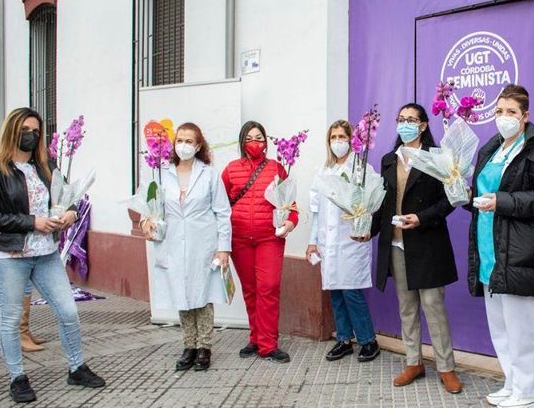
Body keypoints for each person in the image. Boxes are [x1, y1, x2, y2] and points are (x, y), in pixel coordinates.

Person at [0, 107, 105, 403]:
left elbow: (67, 199)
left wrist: (71, 214)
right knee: (10, 319)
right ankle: (17, 377)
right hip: (10, 256)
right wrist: (32, 222)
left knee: (68, 311)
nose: (31, 136)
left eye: (35, 131)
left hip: (46, 253)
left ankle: (76, 368)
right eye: (25, 130)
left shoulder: (46, 166)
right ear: (12, 131)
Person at [466, 85, 534, 408]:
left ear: (525, 116)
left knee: (523, 327)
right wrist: (462, 195)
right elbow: (480, 194)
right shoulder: (489, 150)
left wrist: (503, 202)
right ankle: (512, 382)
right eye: (499, 111)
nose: (504, 118)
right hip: (488, 249)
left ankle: (532, 390)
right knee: (500, 327)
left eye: (511, 112)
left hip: (518, 252)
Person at [359, 103, 463, 393]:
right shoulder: (388, 160)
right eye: (401, 119)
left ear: (424, 125)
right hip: (396, 244)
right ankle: (414, 361)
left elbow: (450, 201)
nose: (405, 124)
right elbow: (382, 204)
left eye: (411, 120)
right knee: (407, 307)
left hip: (427, 243)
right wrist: (368, 229)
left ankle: (446, 367)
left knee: (433, 307)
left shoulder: (437, 158)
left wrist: (422, 218)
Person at [144, 122, 232, 372]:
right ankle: (188, 346)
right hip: (172, 243)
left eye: (189, 141)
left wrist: (223, 248)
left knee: (203, 295)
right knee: (181, 294)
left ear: (198, 145)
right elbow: (151, 208)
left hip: (203, 244)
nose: (183, 145)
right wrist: (147, 221)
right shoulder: (161, 173)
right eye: (179, 140)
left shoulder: (209, 174)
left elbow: (223, 213)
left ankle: (204, 347)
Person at [222, 121, 298, 363]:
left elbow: (290, 205)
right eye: (250, 138)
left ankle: (268, 344)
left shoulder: (277, 168)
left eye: (260, 137)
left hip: (269, 239)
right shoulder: (231, 170)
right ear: (242, 142)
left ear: (266, 142)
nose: (255, 142)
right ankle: (255, 338)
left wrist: (290, 222)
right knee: (251, 290)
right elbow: (219, 206)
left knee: (269, 287)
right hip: (240, 239)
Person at [307, 120, 380, 362]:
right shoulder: (322, 171)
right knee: (335, 291)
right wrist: (312, 241)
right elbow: (316, 211)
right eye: (334, 137)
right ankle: (344, 339)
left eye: (342, 137)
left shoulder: (361, 168)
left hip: (351, 241)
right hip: (329, 243)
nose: (338, 142)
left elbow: (372, 201)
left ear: (352, 140)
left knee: (351, 291)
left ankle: (368, 340)